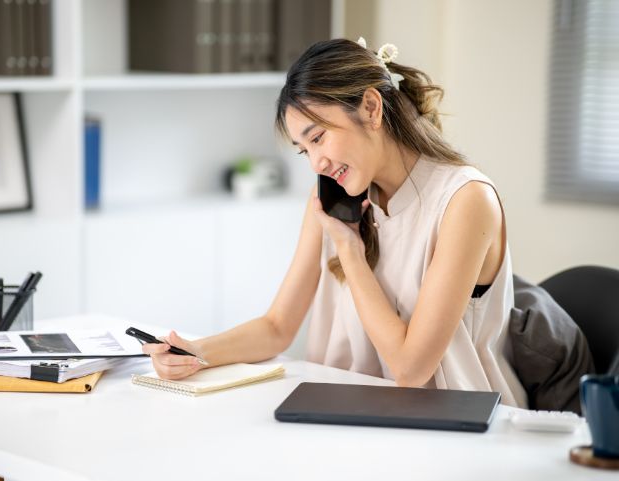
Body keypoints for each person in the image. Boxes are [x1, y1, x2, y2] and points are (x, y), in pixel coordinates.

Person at [142, 38, 528, 408]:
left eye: (319, 138)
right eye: (304, 150)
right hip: (348, 413)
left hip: (455, 422)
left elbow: (411, 369)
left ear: (372, 108)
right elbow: (278, 326)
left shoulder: (465, 200)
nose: (316, 163)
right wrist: (195, 353)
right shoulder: (332, 196)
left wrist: (350, 251)